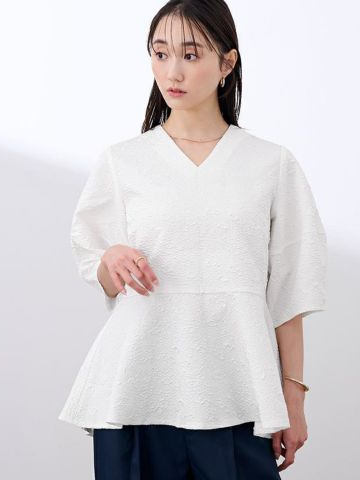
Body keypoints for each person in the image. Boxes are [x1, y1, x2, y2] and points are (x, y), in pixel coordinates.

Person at [58, 1, 328, 478]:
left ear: (227, 63)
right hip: (136, 395)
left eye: (190, 54)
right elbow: (97, 265)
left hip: (238, 395)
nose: (172, 71)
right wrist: (110, 259)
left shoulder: (270, 164)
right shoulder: (124, 161)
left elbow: (291, 289)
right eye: (160, 54)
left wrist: (294, 396)